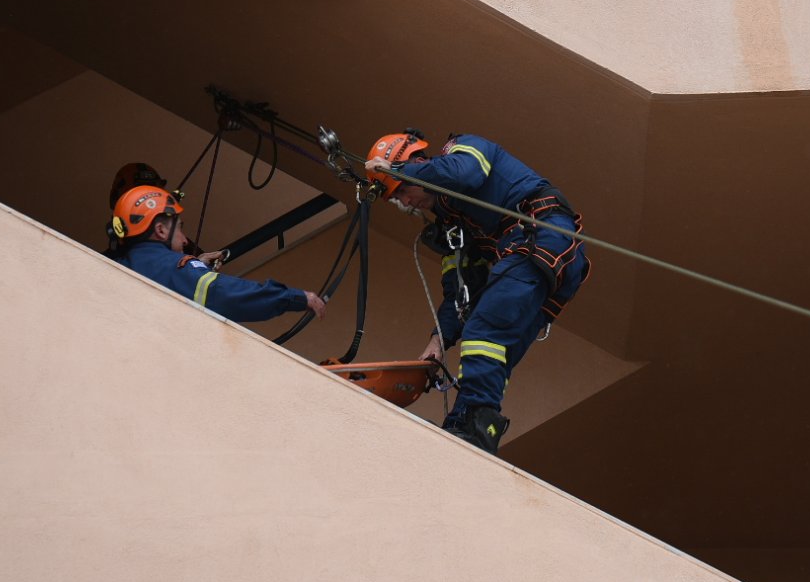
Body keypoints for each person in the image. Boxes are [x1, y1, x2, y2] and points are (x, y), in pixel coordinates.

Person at [366, 130, 588, 454]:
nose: (405, 202)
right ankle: (468, 425)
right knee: (497, 351)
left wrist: (397, 171)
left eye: (401, 190)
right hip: (541, 255)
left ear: (419, 162)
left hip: (542, 235)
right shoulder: (452, 225)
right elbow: (461, 290)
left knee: (484, 330)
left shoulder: (464, 149)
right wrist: (438, 342)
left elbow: (466, 173)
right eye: (395, 197)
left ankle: (475, 425)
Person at [110, 184, 327, 324]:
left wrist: (195, 268)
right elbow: (227, 295)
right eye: (180, 229)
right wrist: (293, 298)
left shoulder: (114, 267)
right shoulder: (177, 268)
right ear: (161, 231)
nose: (185, 240)